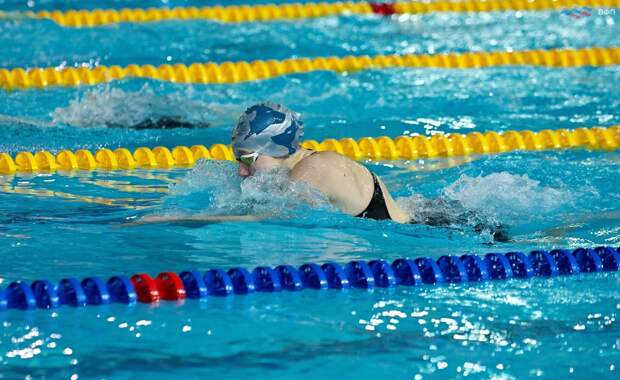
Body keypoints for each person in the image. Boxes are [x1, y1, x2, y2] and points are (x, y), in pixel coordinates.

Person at [138, 102, 508, 241]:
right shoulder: (293, 168)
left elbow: (273, 219)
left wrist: (177, 219)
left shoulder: (312, 170)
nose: (241, 171)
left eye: (248, 159)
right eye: (237, 158)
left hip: (441, 230)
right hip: (426, 211)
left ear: (278, 149)